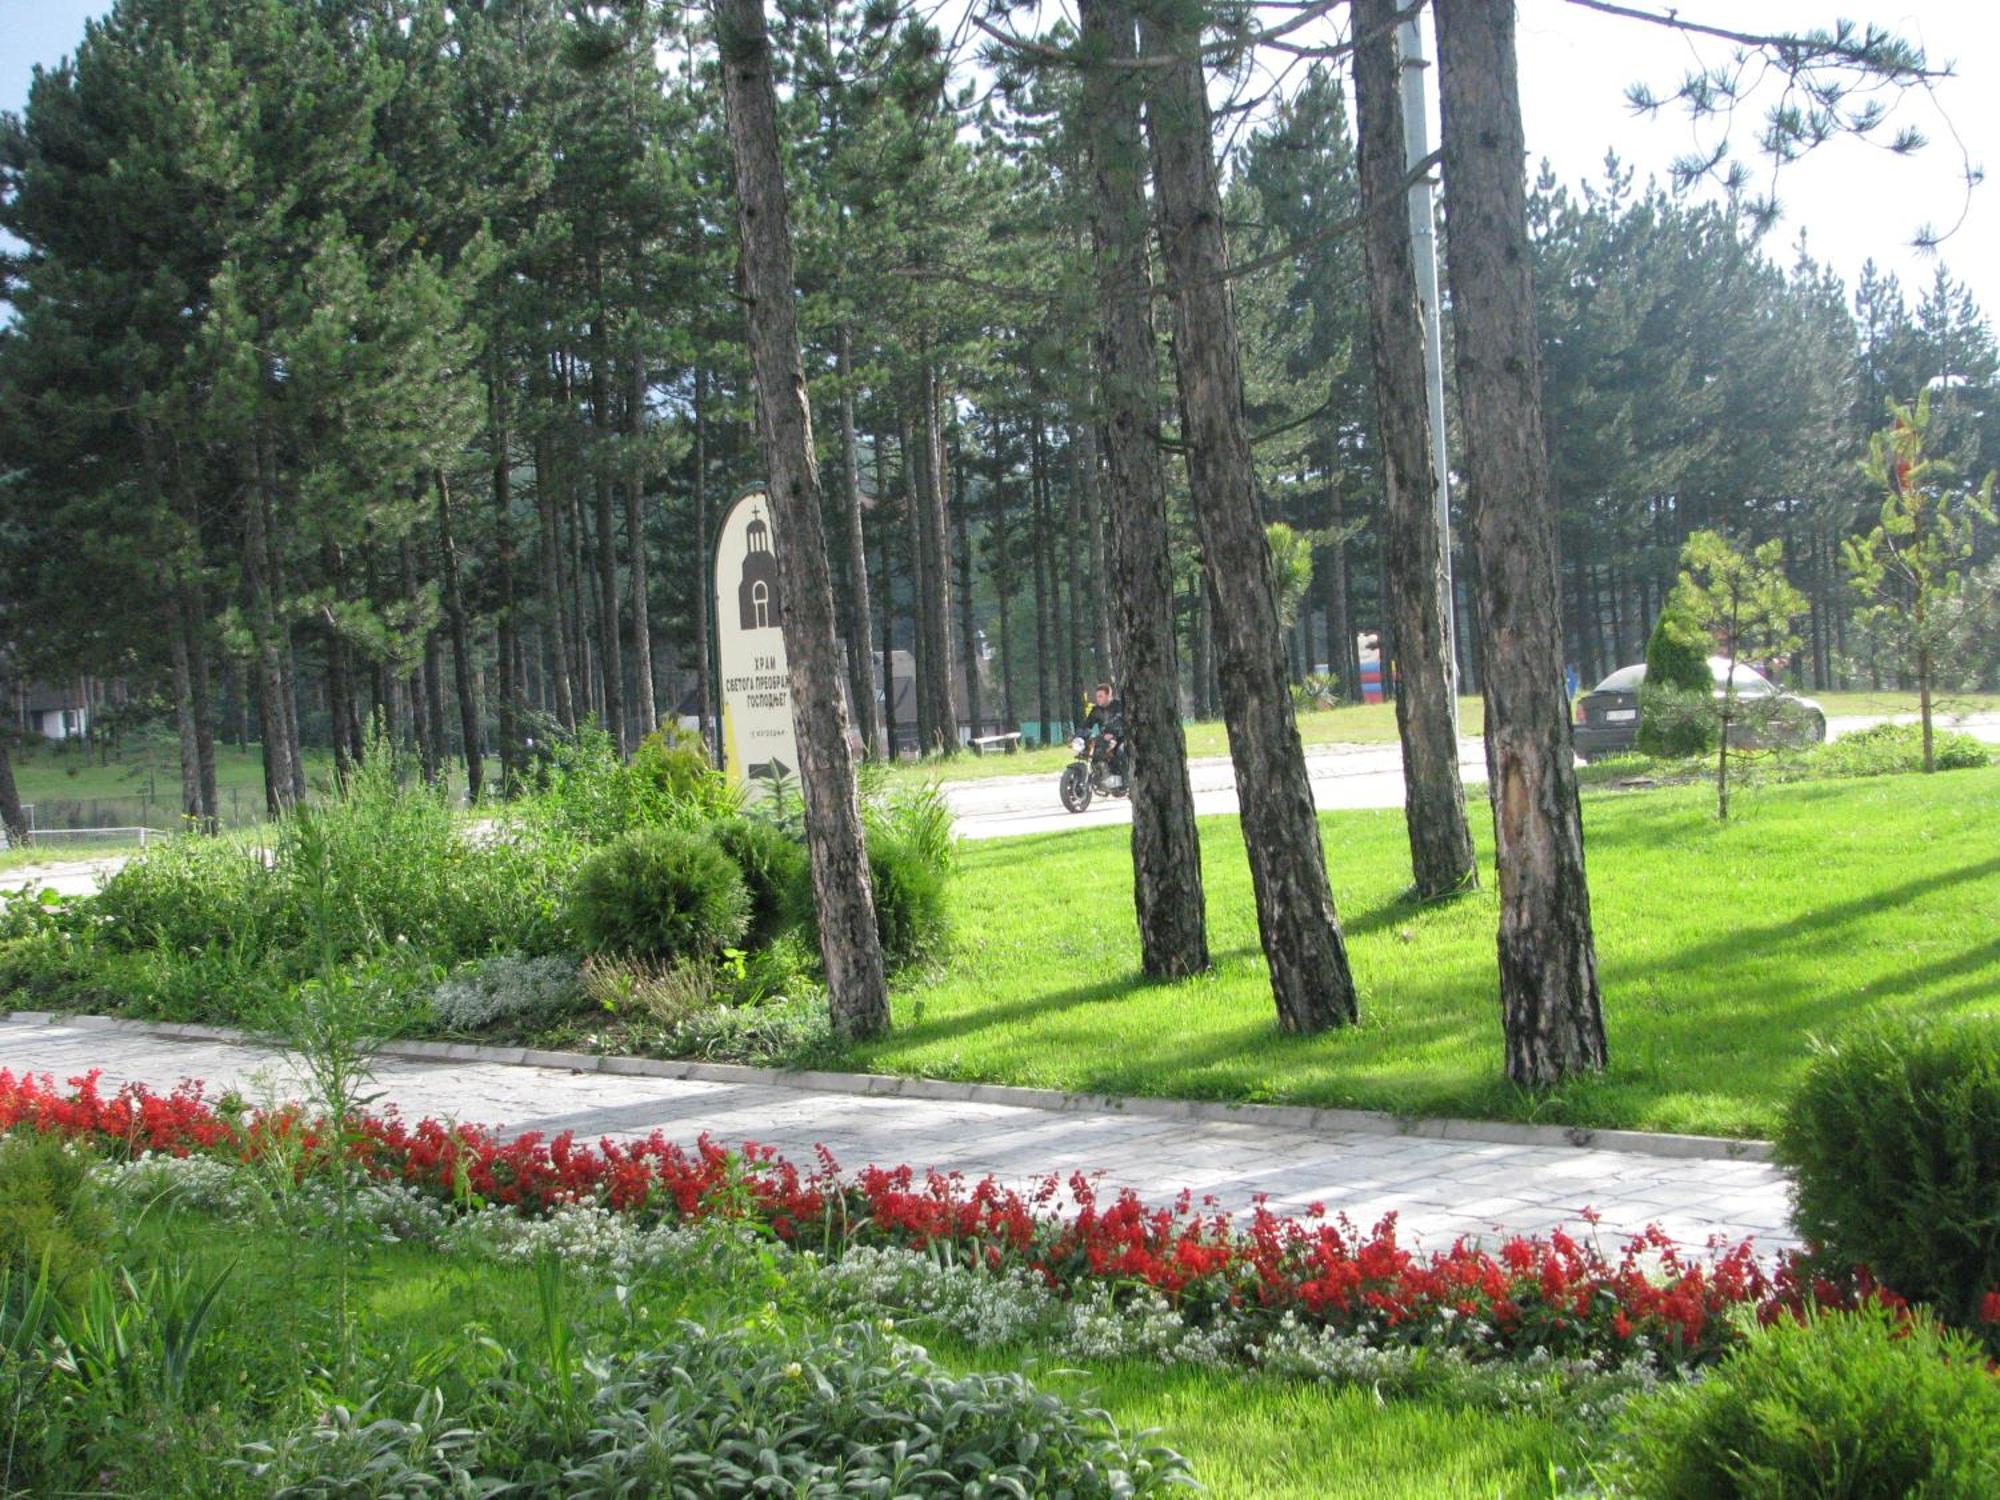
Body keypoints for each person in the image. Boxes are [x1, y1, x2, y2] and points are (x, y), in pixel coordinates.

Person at [1083, 683, 1127, 788]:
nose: (1098, 699)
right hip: (1105, 739)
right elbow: (1087, 724)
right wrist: (1079, 735)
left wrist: (1114, 734)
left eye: (1100, 696)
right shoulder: (1096, 710)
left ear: (1108, 695)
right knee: (1094, 753)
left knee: (1121, 752)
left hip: (1121, 738)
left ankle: (1125, 782)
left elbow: (1121, 722)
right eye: (1097, 696)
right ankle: (1101, 776)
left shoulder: (1119, 706)